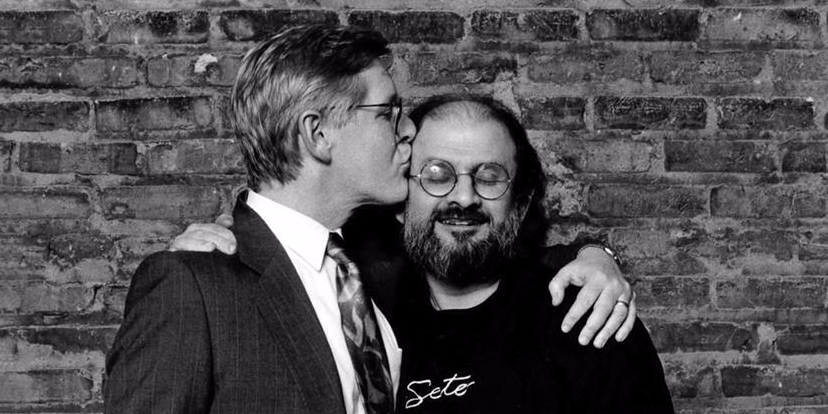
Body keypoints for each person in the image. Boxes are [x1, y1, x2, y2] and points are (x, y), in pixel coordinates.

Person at [106, 24, 632, 414]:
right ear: (318, 135)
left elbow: (483, 245)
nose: (407, 133)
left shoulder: (366, 282)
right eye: (387, 113)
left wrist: (593, 256)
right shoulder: (193, 283)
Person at [391, 95, 674, 413]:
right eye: (438, 175)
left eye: (488, 178)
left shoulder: (587, 318)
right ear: (400, 200)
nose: (464, 197)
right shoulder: (366, 320)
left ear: (520, 206)